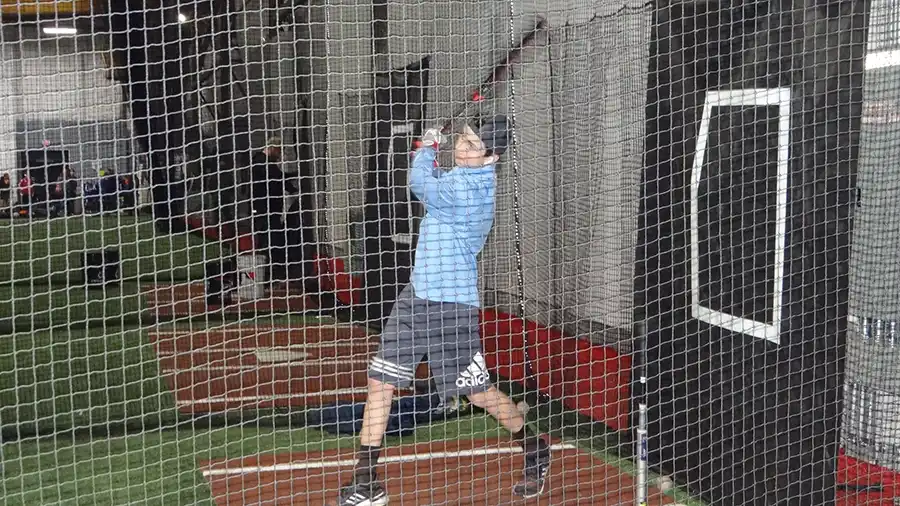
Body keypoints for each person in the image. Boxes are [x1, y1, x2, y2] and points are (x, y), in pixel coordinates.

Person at [330, 116, 552, 506]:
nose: (462, 147)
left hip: (452, 308)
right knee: (381, 381)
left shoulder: (470, 192)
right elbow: (433, 180)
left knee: (478, 394)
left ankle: (534, 448)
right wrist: (431, 153)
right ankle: (366, 481)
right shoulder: (461, 177)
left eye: (472, 145)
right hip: (416, 297)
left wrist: (426, 148)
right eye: (463, 139)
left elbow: (419, 183)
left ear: (492, 157)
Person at [249, 137, 289, 283]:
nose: (279, 155)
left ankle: (267, 275)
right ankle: (268, 275)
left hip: (269, 210)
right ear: (272, 148)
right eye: (278, 151)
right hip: (264, 210)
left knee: (268, 240)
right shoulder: (261, 162)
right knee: (269, 241)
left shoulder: (265, 163)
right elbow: (277, 177)